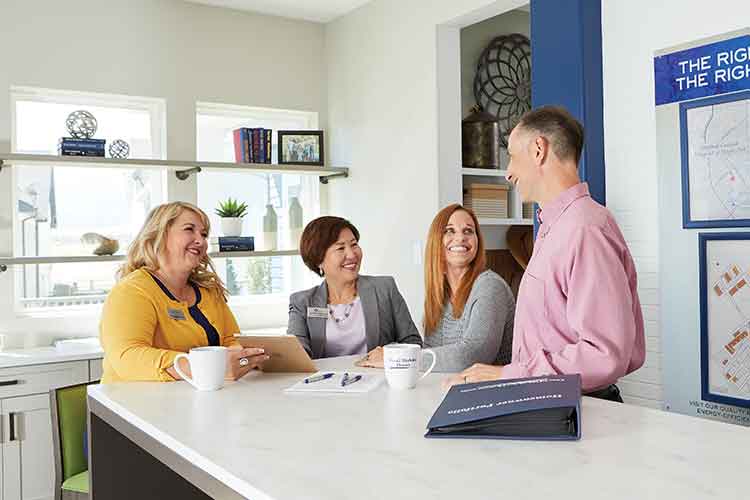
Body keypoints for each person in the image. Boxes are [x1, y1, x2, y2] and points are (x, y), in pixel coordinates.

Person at [447, 105, 645, 402]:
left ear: (539, 149)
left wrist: (508, 375)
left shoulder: (585, 230)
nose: (509, 173)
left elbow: (604, 353)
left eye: (512, 156)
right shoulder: (555, 227)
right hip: (550, 401)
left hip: (579, 410)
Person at [100, 202, 268, 383]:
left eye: (203, 234)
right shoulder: (132, 291)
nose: (201, 240)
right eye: (190, 229)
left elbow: (229, 340)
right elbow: (127, 358)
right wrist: (207, 369)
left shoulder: (208, 291)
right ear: (160, 235)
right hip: (133, 403)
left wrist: (245, 357)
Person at [288, 216, 422, 361]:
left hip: (378, 380)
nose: (352, 255)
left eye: (354, 244)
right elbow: (296, 355)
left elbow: (413, 342)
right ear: (318, 259)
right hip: (326, 382)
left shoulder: (384, 288)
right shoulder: (302, 302)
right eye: (340, 248)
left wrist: (390, 356)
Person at [417, 204, 514, 372]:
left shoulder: (490, 286)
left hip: (492, 393)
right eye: (449, 231)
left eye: (468, 231)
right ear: (436, 240)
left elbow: (471, 357)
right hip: (452, 388)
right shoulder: (440, 294)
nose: (461, 238)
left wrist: (401, 360)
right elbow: (431, 353)